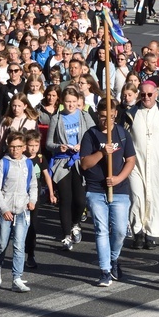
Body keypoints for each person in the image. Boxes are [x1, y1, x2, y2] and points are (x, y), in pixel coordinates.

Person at [80, 98, 137, 287]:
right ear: (98, 115)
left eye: (110, 117)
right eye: (102, 117)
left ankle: (113, 259)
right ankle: (104, 270)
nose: (106, 121)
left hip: (119, 190)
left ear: (115, 115)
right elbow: (85, 163)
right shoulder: (91, 135)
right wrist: (103, 153)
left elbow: (130, 160)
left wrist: (119, 178)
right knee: (101, 230)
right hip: (96, 189)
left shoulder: (121, 134)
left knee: (120, 231)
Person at [122, 81, 159, 249]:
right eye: (143, 95)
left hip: (157, 163)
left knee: (154, 198)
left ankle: (150, 233)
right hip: (135, 163)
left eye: (150, 94)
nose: (146, 98)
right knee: (137, 198)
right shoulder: (131, 114)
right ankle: (138, 232)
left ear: (156, 94)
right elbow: (125, 137)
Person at [46, 87, 95, 250]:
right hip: (63, 162)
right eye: (68, 101)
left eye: (74, 102)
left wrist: (84, 145)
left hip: (80, 161)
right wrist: (59, 147)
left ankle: (75, 223)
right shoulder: (56, 118)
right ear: (62, 101)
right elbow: (48, 143)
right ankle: (66, 235)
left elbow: (94, 135)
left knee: (80, 200)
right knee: (66, 199)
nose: (71, 105)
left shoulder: (84, 116)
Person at [0, 131, 37, 292]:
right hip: (6, 210)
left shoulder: (28, 163)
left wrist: (32, 200)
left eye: (18, 147)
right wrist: (3, 209)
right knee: (2, 243)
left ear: (24, 147)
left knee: (19, 245)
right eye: (12, 147)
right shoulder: (4, 163)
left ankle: (16, 278)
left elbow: (33, 185)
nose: (15, 150)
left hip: (22, 210)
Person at [24, 130, 54, 270]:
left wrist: (51, 193)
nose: (33, 148)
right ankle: (20, 250)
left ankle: (30, 253)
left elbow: (46, 175)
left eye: (36, 145)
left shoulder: (41, 158)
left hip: (35, 196)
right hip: (21, 195)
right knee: (21, 225)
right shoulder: (22, 158)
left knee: (32, 225)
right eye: (30, 145)